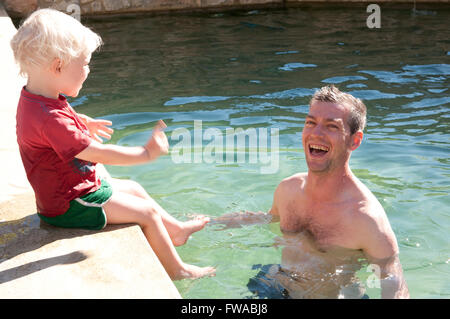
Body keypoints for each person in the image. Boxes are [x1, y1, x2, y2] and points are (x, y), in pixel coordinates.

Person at [11, 8, 215, 280]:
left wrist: (81, 122)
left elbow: (51, 127)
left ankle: (175, 230)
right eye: (84, 64)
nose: (88, 70)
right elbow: (98, 152)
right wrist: (144, 153)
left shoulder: (35, 98)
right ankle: (179, 270)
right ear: (58, 66)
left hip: (71, 190)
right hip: (69, 204)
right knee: (147, 213)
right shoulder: (50, 119)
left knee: (134, 188)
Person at [213, 85, 409, 298]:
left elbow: (392, 280)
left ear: (355, 140)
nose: (316, 133)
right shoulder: (289, 189)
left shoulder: (366, 219)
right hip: (277, 285)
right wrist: (213, 222)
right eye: (310, 122)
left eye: (331, 126)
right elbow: (271, 219)